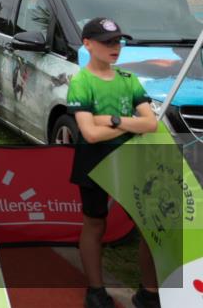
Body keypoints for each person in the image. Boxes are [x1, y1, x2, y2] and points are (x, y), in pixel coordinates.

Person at [67, 18, 159, 308]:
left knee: (147, 225)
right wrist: (131, 125)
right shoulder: (81, 82)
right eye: (108, 42)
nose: (115, 47)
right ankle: (95, 290)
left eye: (118, 41)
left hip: (129, 159)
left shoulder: (128, 80)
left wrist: (114, 120)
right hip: (93, 161)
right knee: (95, 222)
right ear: (88, 44)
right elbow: (90, 134)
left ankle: (150, 292)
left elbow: (152, 124)